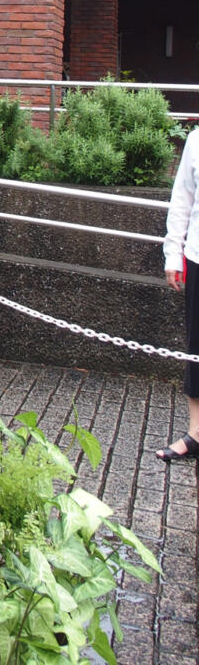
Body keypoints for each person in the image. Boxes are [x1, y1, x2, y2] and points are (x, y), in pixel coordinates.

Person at [157, 126, 199, 462]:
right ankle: (196, 434)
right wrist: (174, 254)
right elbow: (182, 199)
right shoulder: (197, 139)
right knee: (197, 347)